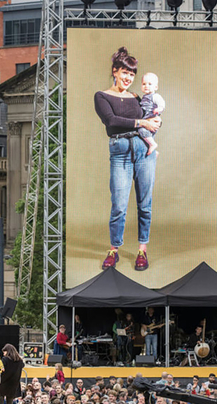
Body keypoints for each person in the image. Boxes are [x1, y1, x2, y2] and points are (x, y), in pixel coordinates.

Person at [94, 46, 161, 271]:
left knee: (145, 204)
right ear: (115, 71)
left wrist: (155, 121)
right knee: (119, 205)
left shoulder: (135, 97)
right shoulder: (102, 96)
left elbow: (149, 116)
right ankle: (114, 250)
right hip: (120, 151)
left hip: (143, 151)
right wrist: (142, 123)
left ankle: (142, 250)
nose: (128, 78)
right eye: (124, 73)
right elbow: (111, 121)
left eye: (132, 75)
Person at [136, 72, 166, 155]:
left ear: (156, 87)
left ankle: (153, 144)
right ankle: (153, 151)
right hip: (146, 120)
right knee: (147, 137)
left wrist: (159, 109)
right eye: (144, 84)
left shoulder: (155, 96)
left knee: (141, 130)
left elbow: (162, 103)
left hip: (151, 119)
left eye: (149, 84)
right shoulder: (144, 97)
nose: (146, 86)